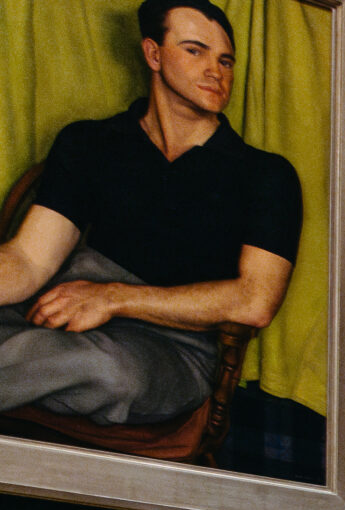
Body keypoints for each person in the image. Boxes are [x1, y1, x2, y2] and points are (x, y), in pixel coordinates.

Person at [0, 0, 301, 427]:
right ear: (153, 54)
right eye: (195, 51)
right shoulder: (91, 142)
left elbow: (254, 300)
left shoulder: (266, 174)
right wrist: (83, 297)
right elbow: (29, 261)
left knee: (109, 371)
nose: (216, 70)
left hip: (170, 347)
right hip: (58, 312)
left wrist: (113, 298)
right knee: (45, 347)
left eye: (225, 59)